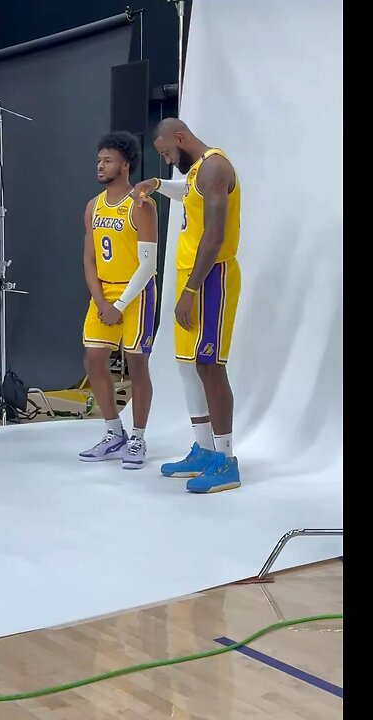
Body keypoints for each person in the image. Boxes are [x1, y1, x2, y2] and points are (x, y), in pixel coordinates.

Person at [131, 118, 242, 493]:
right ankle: (205, 449)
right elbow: (188, 191)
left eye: (165, 153)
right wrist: (159, 185)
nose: (165, 160)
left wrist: (191, 290)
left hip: (211, 278)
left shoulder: (214, 166)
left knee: (210, 364)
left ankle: (226, 460)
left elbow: (215, 234)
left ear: (179, 138)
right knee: (188, 364)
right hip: (191, 275)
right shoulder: (197, 171)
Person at [78, 131, 159, 469]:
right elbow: (89, 258)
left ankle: (138, 437)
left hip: (137, 292)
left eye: (107, 160)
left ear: (125, 164)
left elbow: (149, 265)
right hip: (105, 293)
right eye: (99, 160)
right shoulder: (93, 206)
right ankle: (114, 433)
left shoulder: (141, 204)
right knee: (93, 360)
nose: (100, 165)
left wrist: (119, 305)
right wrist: (100, 300)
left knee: (137, 364)